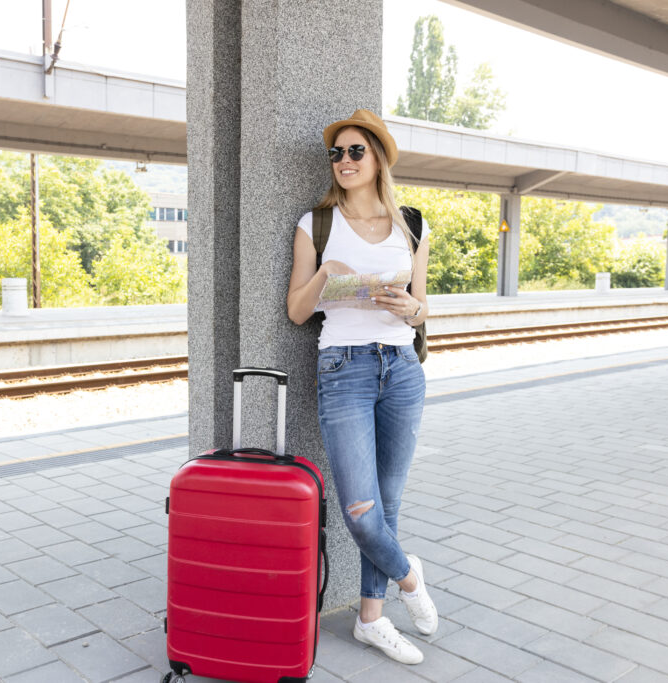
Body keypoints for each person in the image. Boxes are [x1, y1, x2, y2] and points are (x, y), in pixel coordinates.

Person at [286, 109, 437, 665]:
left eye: (355, 152)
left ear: (377, 158)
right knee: (359, 507)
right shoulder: (316, 224)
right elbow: (298, 311)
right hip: (342, 368)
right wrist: (328, 274)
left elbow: (423, 310)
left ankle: (371, 622)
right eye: (337, 153)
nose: (344, 162)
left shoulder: (412, 224)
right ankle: (408, 577)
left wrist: (411, 306)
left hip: (400, 368)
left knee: (389, 502)